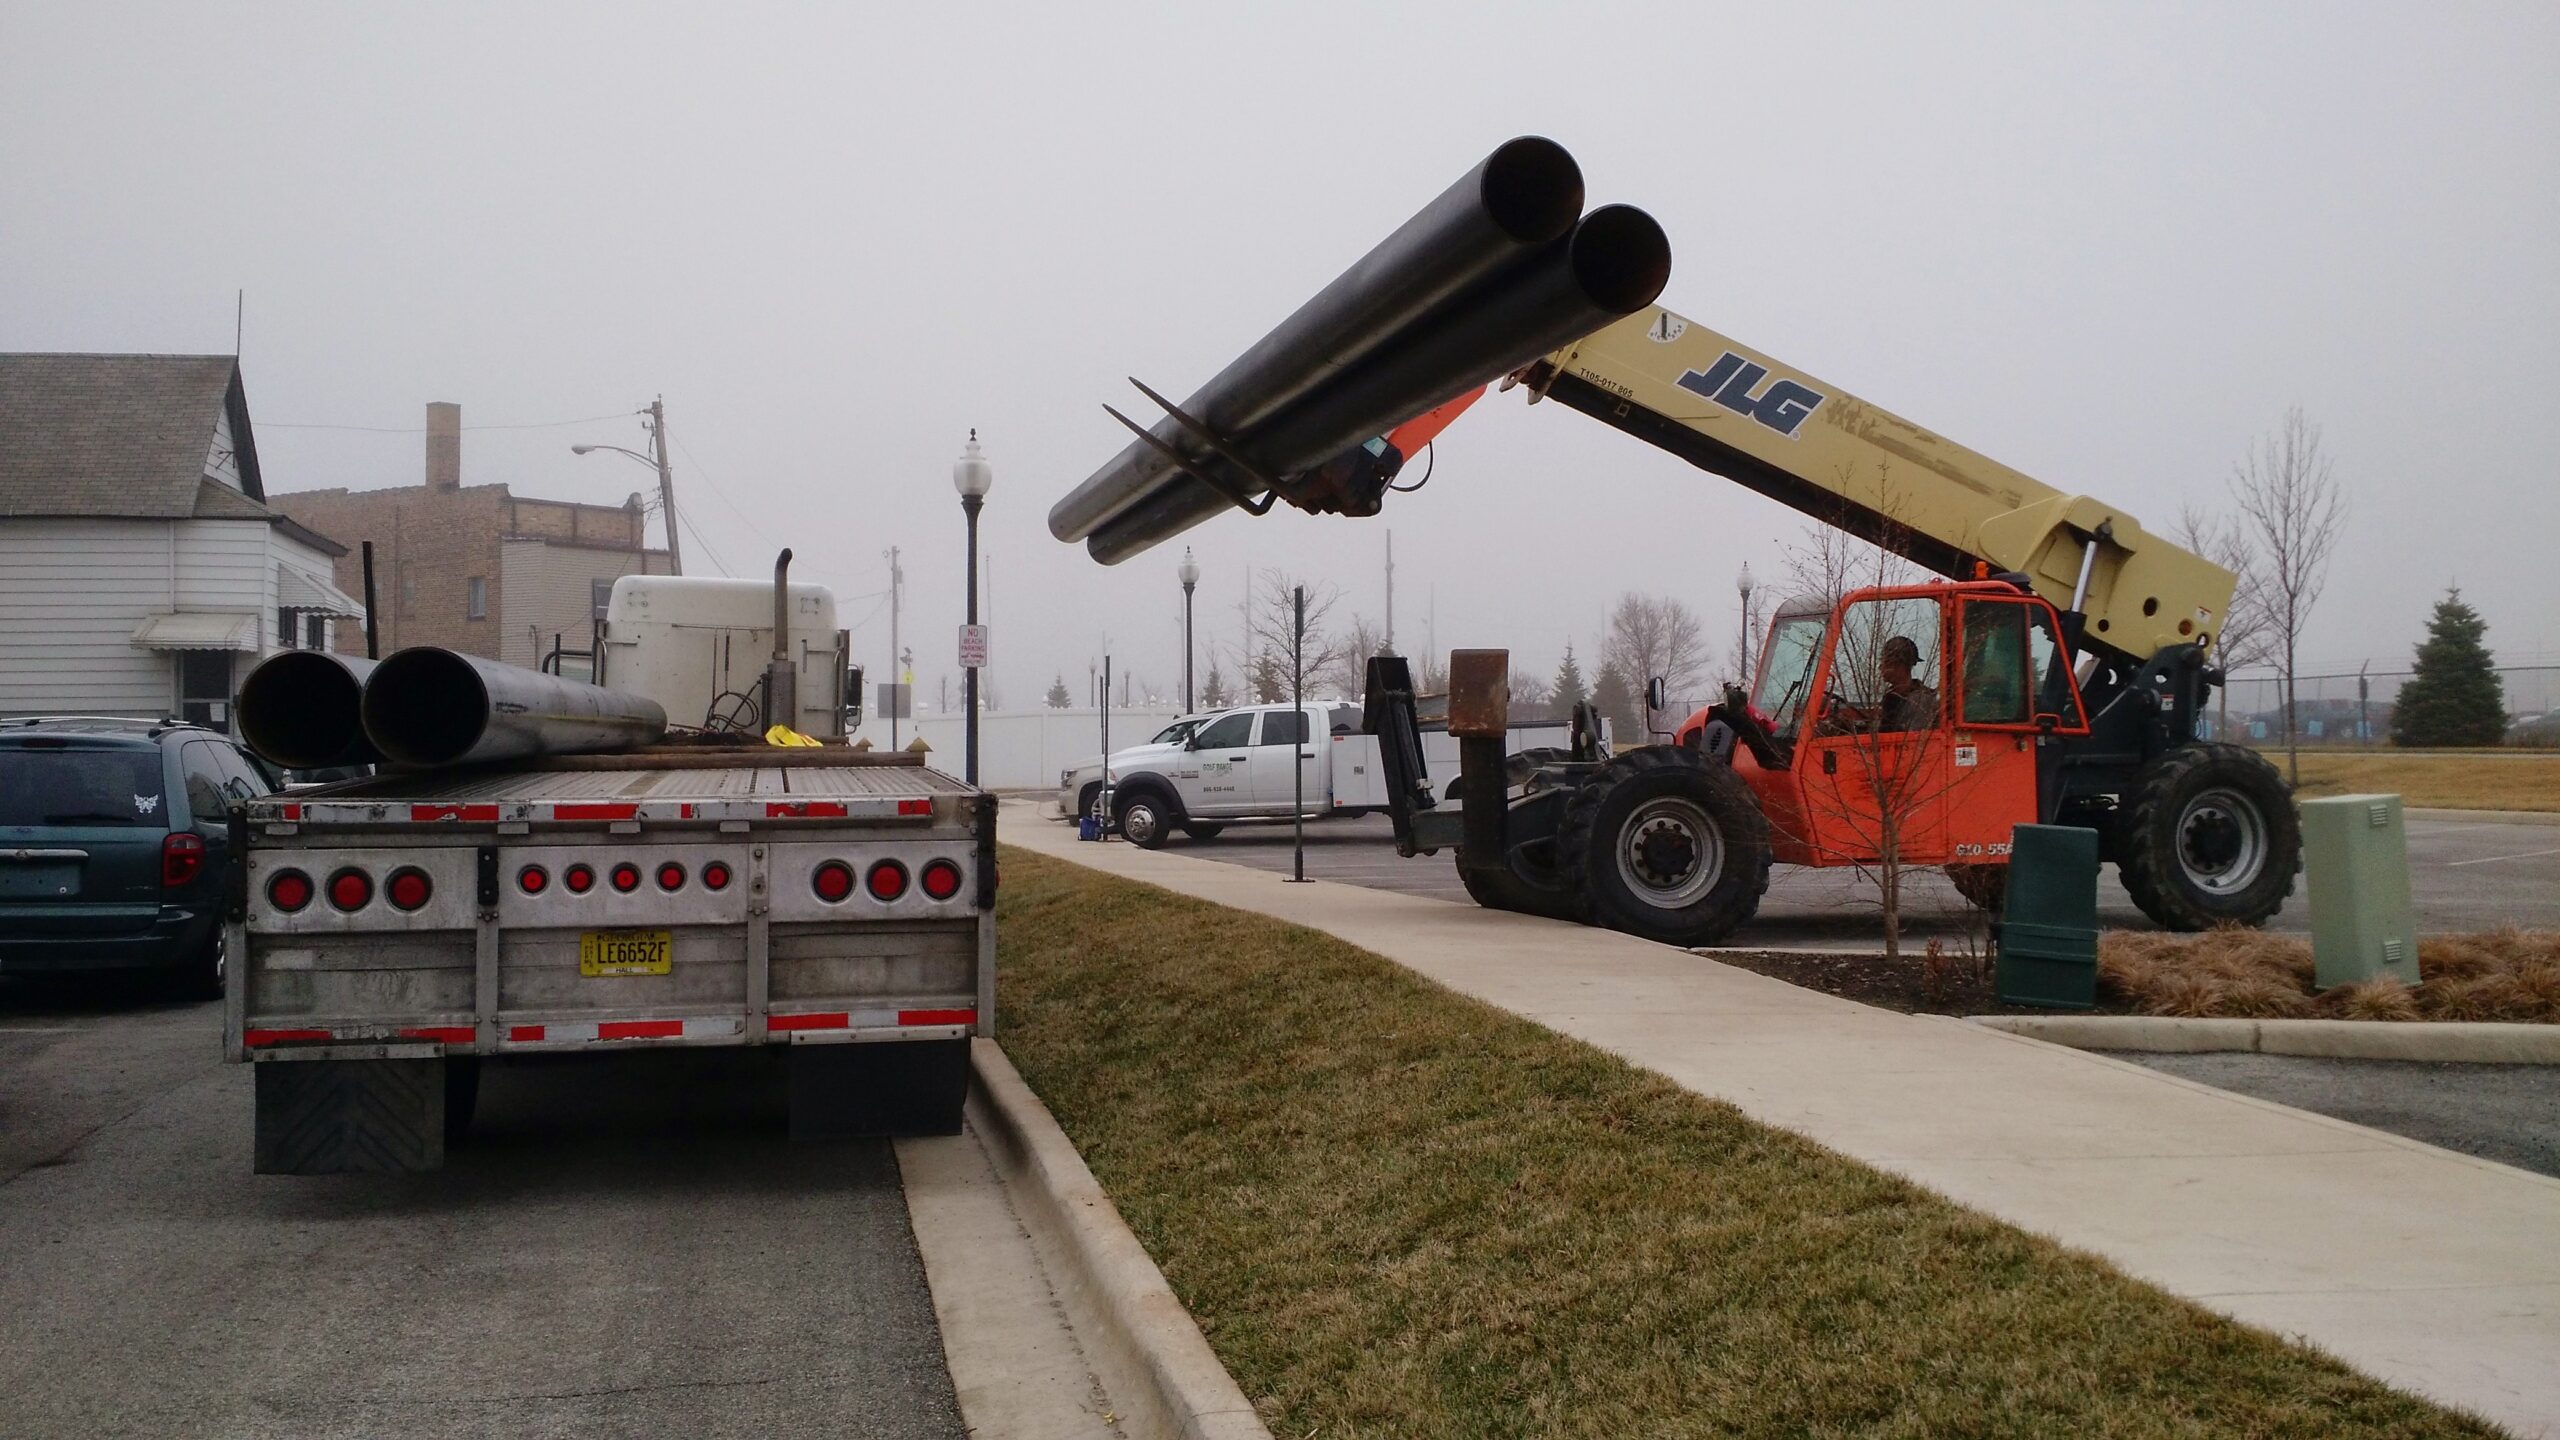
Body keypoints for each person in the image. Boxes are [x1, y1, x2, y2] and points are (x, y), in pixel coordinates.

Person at [1826, 635, 1938, 733]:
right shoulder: (1893, 697)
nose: (1880, 667)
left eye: (1886, 662)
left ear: (1900, 666)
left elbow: (1900, 739)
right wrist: (1852, 724)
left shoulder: (1920, 701)